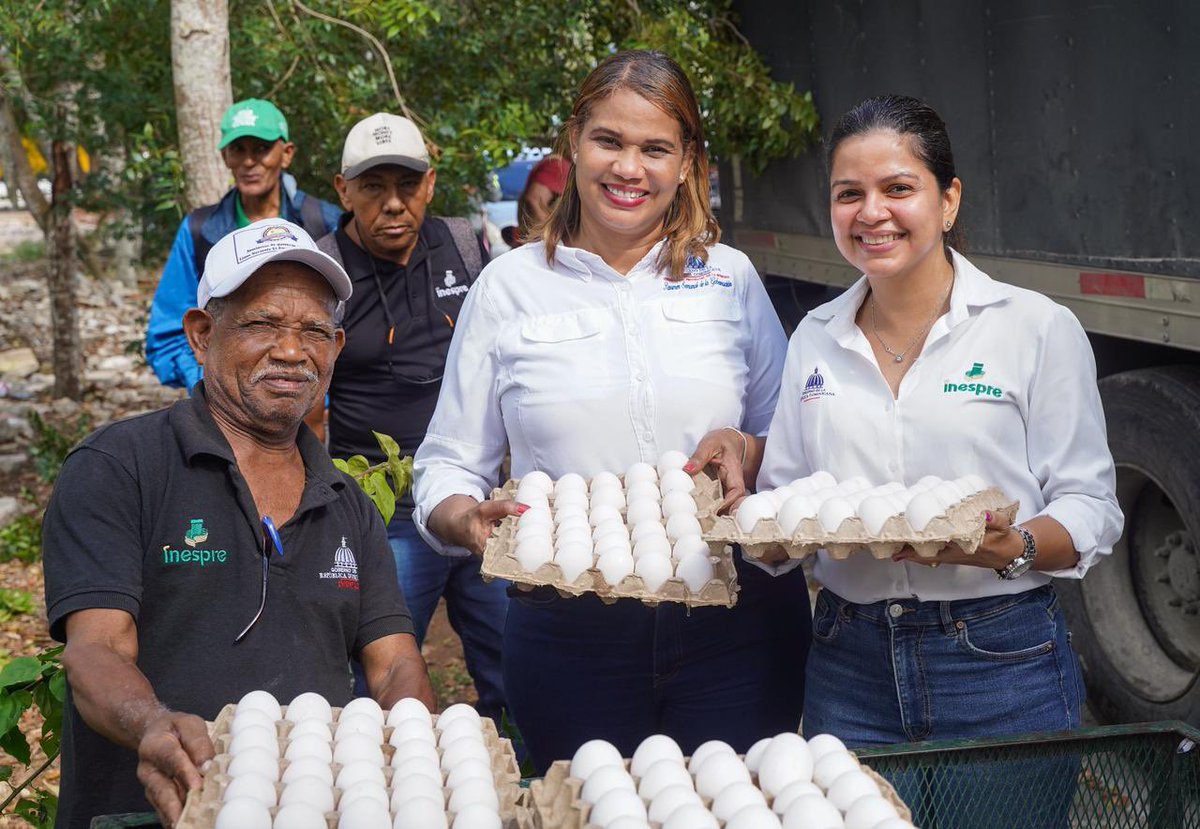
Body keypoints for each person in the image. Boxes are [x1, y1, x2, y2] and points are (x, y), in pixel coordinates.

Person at [413, 50, 810, 773]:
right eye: (610, 142)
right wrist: (461, 517)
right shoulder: (508, 287)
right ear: (573, 141)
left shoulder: (730, 278)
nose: (630, 168)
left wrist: (746, 449)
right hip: (570, 635)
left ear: (688, 161)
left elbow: (792, 441)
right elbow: (445, 462)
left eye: (655, 148)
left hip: (738, 625)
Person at [757, 95, 1123, 825]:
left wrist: (1011, 548)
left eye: (898, 188)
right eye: (848, 194)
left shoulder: (1033, 329)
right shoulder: (815, 340)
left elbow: (1090, 504)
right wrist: (754, 527)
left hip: (998, 659)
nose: (872, 213)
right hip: (847, 660)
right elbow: (785, 498)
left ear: (948, 200)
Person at [43, 219, 435, 828]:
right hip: (149, 813)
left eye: (314, 331)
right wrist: (150, 726)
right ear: (201, 335)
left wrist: (414, 754)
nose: (290, 351)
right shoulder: (119, 467)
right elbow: (96, 648)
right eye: (261, 323)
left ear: (335, 348)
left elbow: (392, 662)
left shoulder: (346, 501)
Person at [310, 113, 506, 721]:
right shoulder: (323, 272)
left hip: (480, 500)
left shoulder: (469, 248)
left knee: (513, 657)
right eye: (372, 187)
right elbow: (309, 407)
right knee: (378, 678)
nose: (392, 204)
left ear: (429, 184)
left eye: (406, 184)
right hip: (382, 512)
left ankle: (520, 773)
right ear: (344, 191)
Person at [146, 98, 342, 390]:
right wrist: (218, 386)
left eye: (262, 149)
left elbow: (347, 327)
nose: (249, 162)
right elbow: (168, 334)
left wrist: (315, 395)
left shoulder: (323, 223)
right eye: (238, 150)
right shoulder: (201, 229)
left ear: (286, 154)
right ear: (225, 157)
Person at [501, 155, 570, 248]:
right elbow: (535, 198)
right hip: (543, 241)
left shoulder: (558, 163)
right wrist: (552, 236)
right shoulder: (559, 165)